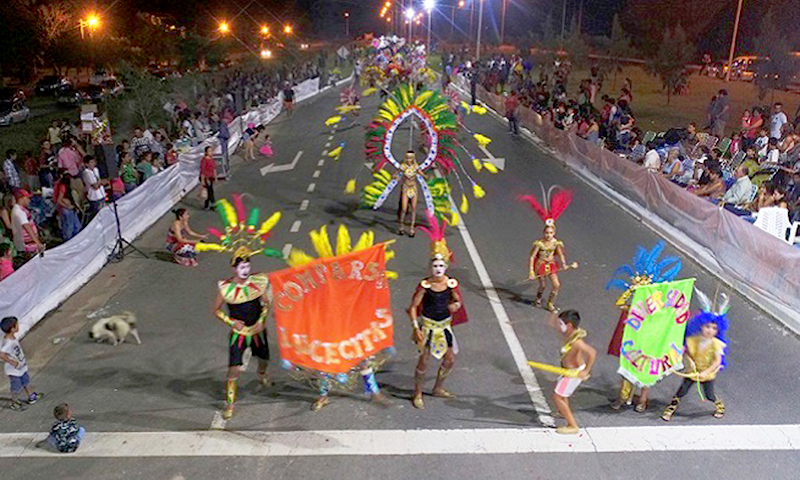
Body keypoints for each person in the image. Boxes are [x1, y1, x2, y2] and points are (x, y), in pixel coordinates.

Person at [212, 251, 273, 419]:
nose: (245, 270)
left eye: (247, 266)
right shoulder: (226, 288)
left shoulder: (258, 282)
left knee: (264, 359)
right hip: (239, 334)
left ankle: (262, 373)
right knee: (234, 370)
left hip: (258, 331)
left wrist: (262, 320)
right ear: (234, 268)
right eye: (241, 267)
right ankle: (230, 404)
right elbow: (216, 310)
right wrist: (231, 322)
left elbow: (266, 304)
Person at [408, 250, 467, 410]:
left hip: (444, 327)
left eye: (441, 265)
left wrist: (456, 305)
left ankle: (438, 388)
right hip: (428, 327)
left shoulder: (450, 284)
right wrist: (416, 327)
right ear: (430, 268)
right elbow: (413, 307)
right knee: (424, 361)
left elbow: (458, 300)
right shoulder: (425, 286)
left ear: (446, 267)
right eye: (435, 266)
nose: (438, 269)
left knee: (450, 359)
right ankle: (418, 393)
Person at [662, 291, 729, 421]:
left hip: (707, 375)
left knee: (709, 395)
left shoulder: (716, 344)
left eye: (714, 328)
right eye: (707, 327)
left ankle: (720, 406)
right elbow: (687, 352)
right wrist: (689, 361)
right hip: (691, 372)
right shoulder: (693, 340)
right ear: (701, 326)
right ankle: (670, 409)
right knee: (681, 391)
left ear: (718, 330)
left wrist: (706, 372)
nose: (710, 330)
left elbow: (717, 361)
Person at [519, 188, 576, 312]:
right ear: (543, 232)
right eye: (547, 232)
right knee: (543, 285)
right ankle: (538, 298)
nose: (548, 235)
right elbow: (532, 256)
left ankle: (550, 304)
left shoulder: (556, 243)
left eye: (551, 233)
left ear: (554, 232)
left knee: (556, 285)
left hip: (551, 265)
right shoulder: (539, 244)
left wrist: (564, 264)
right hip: (540, 265)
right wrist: (531, 272)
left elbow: (560, 254)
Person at [551, 310, 596, 434]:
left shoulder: (577, 341)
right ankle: (562, 412)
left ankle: (572, 425)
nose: (558, 326)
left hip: (573, 373)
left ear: (569, 325)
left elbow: (592, 353)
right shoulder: (571, 335)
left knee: (558, 396)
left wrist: (586, 371)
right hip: (567, 371)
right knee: (562, 394)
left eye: (560, 324)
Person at [0, 317, 43, 411]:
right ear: (12, 329)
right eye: (16, 325)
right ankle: (14, 401)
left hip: (21, 366)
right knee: (16, 386)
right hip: (14, 370)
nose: (18, 326)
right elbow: (1, 354)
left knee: (26, 381)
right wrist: (12, 362)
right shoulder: (8, 342)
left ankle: (31, 396)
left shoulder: (12, 338)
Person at [397, 151, 424, 236]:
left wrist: (428, 177)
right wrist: (395, 177)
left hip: (413, 188)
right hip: (405, 188)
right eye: (407, 158)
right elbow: (397, 174)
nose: (409, 160)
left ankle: (412, 228)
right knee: (404, 208)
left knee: (413, 208)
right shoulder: (403, 166)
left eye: (410, 158)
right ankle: (401, 226)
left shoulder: (415, 166)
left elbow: (422, 174)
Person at [10, 189, 44, 256]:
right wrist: (37, 242)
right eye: (27, 198)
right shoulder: (19, 212)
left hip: (28, 243)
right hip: (27, 245)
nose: (29, 200)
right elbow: (27, 227)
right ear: (21, 198)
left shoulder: (20, 209)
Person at [53, 170, 82, 241]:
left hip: (71, 207)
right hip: (66, 209)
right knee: (69, 227)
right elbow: (59, 200)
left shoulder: (67, 187)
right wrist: (67, 206)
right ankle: (68, 240)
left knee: (77, 226)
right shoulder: (62, 187)